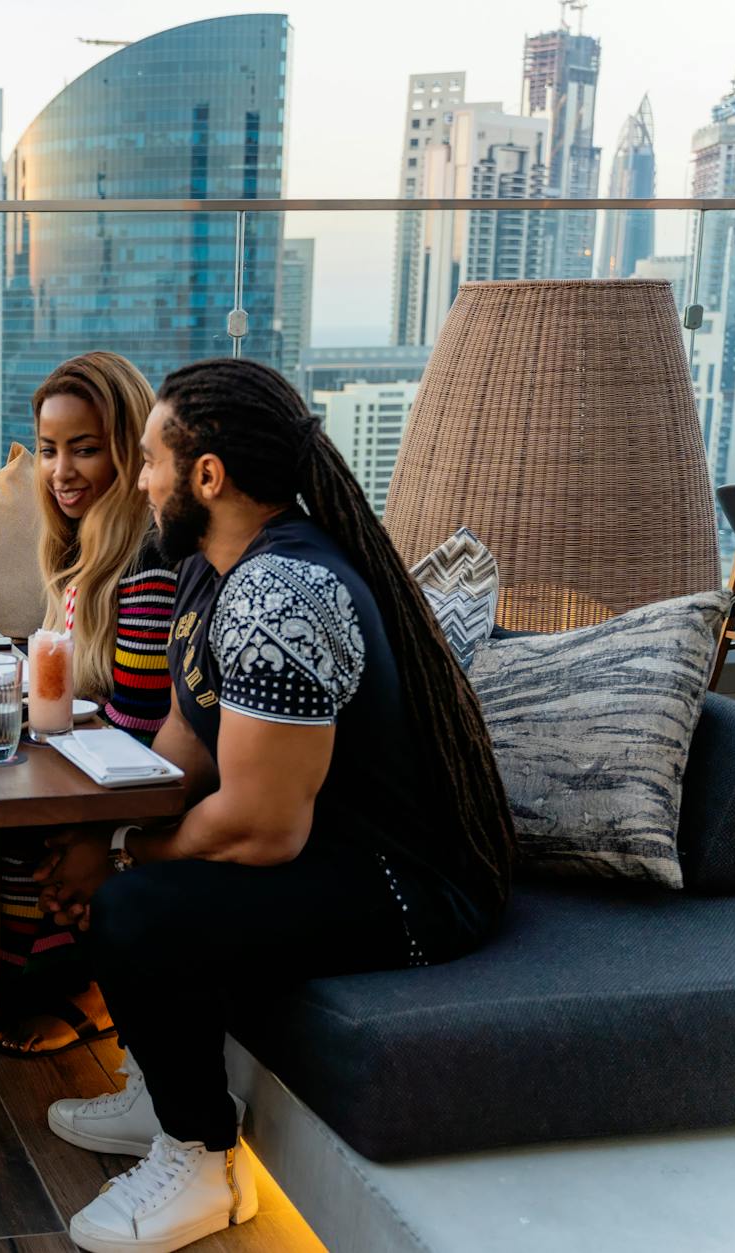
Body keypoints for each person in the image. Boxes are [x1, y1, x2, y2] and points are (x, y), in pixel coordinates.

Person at [34, 359, 515, 1253]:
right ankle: (156, 1094)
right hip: (319, 852)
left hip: (405, 887)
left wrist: (126, 859)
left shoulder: (280, 591)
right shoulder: (208, 569)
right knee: (118, 882)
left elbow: (261, 826)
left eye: (149, 461)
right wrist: (107, 829)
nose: (137, 481)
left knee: (134, 909)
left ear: (207, 476)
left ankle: (204, 1159)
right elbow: (183, 738)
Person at [0, 352, 178, 1056]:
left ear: (129, 451)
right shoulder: (79, 548)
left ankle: (90, 986)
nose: (61, 470)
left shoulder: (145, 558)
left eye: (85, 449)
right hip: (88, 757)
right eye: (48, 450)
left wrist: (94, 834)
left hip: (128, 781)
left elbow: (138, 724)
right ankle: (29, 978)